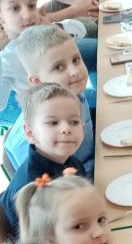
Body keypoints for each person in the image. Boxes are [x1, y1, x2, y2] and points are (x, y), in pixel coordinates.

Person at [4, 24, 95, 178]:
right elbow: (45, 187)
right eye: (59, 67)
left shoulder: (74, 94)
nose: (74, 71)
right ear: (37, 81)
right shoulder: (35, 139)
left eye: (76, 60)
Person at [0, 84, 86, 241]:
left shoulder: (72, 163)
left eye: (74, 122)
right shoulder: (34, 189)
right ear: (30, 133)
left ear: (83, 128)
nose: (66, 128)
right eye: (53, 123)